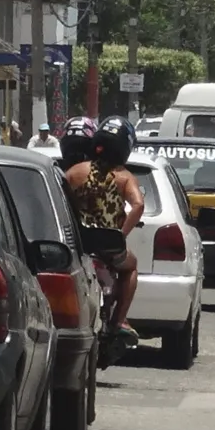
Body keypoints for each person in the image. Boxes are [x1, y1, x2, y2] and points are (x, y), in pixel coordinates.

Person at [60, 123, 145, 349]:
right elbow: (138, 205)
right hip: (109, 246)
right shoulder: (124, 178)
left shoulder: (74, 172)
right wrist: (120, 235)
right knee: (132, 266)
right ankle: (119, 322)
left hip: (79, 243)